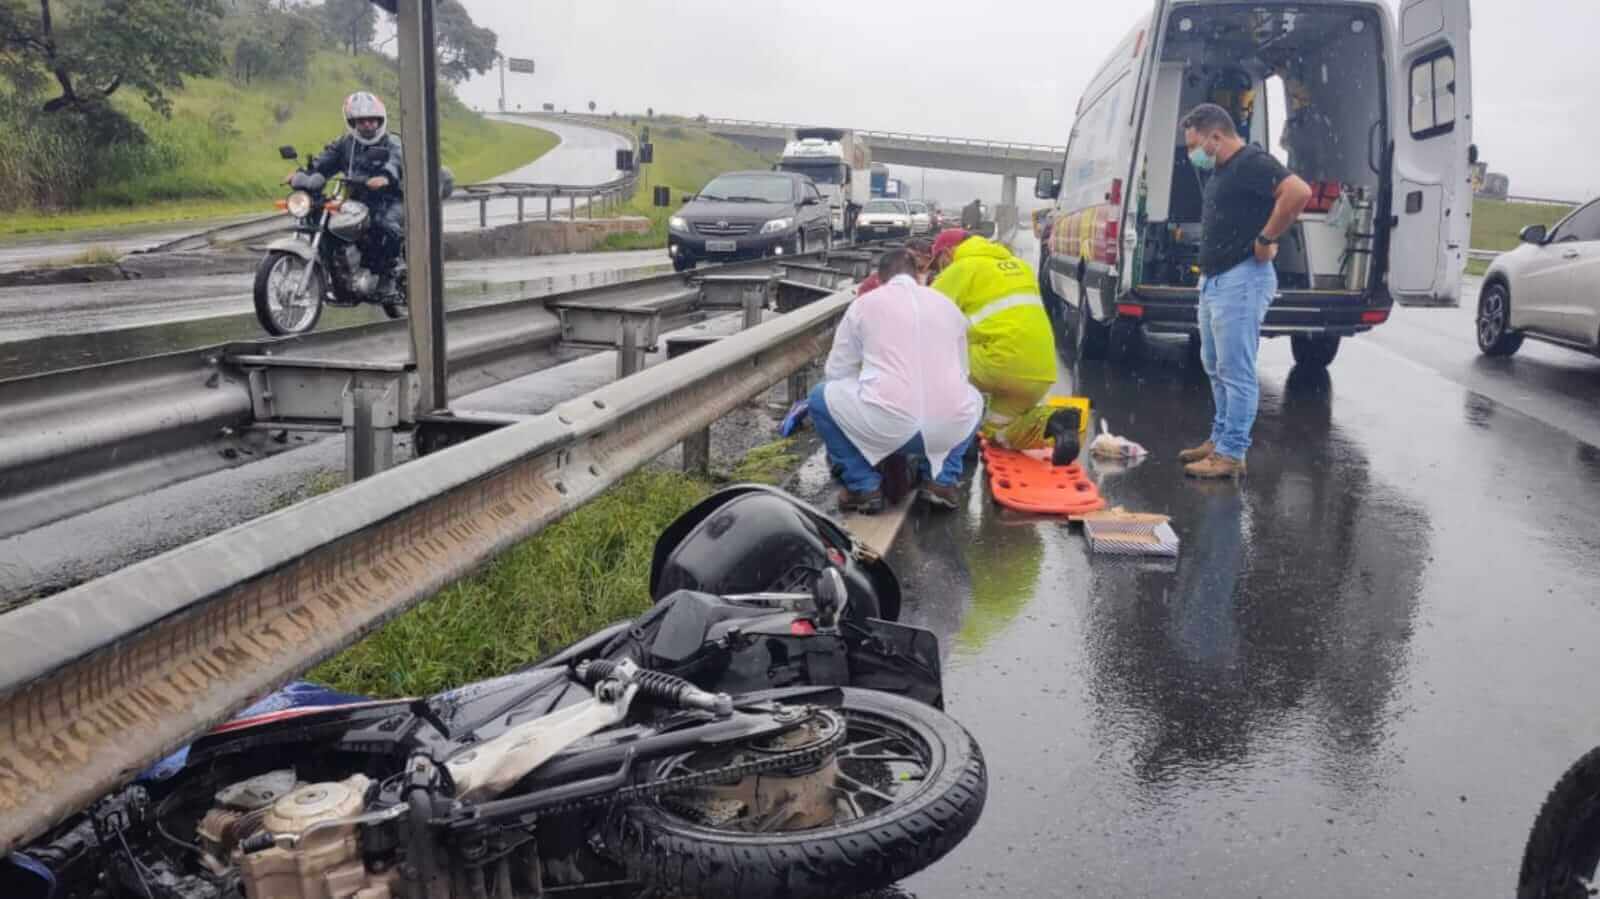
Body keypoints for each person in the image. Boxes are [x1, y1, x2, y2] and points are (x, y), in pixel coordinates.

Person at [1178, 103, 1312, 479]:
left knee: (1236, 370)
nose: (1193, 155)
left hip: (1241, 280)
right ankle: (1219, 440)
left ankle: (1232, 452)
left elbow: (1298, 192)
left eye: (1195, 146)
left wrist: (1267, 237)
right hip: (1215, 279)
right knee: (1215, 364)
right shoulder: (1223, 170)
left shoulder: (1252, 161)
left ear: (1215, 136)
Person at [808, 249, 983, 514]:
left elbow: (837, 372)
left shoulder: (865, 304)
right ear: (919, 277)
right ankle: (941, 481)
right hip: (946, 430)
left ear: (879, 279)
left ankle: (863, 486)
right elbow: (962, 373)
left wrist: (867, 382)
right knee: (974, 398)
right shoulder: (947, 305)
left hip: (886, 427)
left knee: (820, 396)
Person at [928, 228, 1080, 465]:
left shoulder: (962, 268)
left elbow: (920, 312)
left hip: (999, 363)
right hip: (1040, 370)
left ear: (947, 254)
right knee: (999, 431)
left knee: (938, 365)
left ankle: (960, 442)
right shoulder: (1018, 266)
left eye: (938, 264)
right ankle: (1055, 425)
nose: (939, 270)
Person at [291, 92, 406, 301]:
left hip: (392, 199)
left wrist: (386, 176)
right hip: (358, 199)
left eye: (373, 120)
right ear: (352, 122)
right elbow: (324, 163)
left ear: (381, 120)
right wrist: (303, 175)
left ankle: (388, 276)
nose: (369, 125)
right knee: (325, 221)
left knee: (384, 223)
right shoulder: (345, 143)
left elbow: (397, 160)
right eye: (362, 121)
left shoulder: (392, 142)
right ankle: (341, 276)